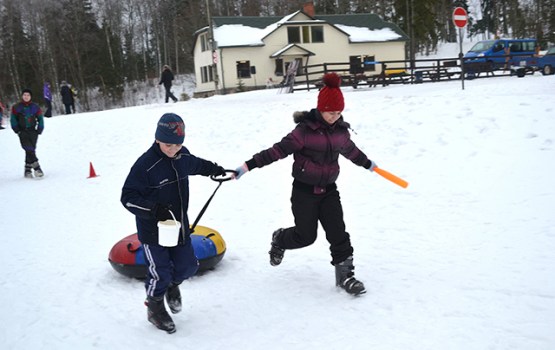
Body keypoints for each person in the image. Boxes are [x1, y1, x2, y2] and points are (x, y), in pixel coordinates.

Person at [233, 73, 377, 296]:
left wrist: (368, 164)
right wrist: (247, 166)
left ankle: (346, 276)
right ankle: (280, 238)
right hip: (304, 192)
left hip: (329, 190)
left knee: (338, 232)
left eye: (339, 112)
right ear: (321, 108)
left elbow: (351, 151)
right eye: (331, 112)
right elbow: (277, 151)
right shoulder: (303, 132)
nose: (334, 116)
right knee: (305, 236)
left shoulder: (340, 131)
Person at [121, 113, 226, 333]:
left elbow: (196, 164)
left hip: (178, 226)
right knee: (159, 271)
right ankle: (155, 307)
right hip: (153, 230)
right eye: (168, 144)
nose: (173, 149)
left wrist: (216, 170)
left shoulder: (181, 156)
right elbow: (128, 197)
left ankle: (171, 286)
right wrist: (152, 209)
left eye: (178, 144)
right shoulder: (145, 165)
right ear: (157, 139)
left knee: (188, 266)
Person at [10, 89, 45, 178]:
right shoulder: (16, 107)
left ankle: (27, 169)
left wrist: (40, 128)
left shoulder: (35, 107)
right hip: (22, 131)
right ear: (22, 96)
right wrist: (16, 129)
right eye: (24, 95)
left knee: (31, 149)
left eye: (28, 95)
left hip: (33, 131)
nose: (26, 97)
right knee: (28, 148)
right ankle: (37, 168)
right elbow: (13, 119)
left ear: (30, 97)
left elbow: (40, 118)